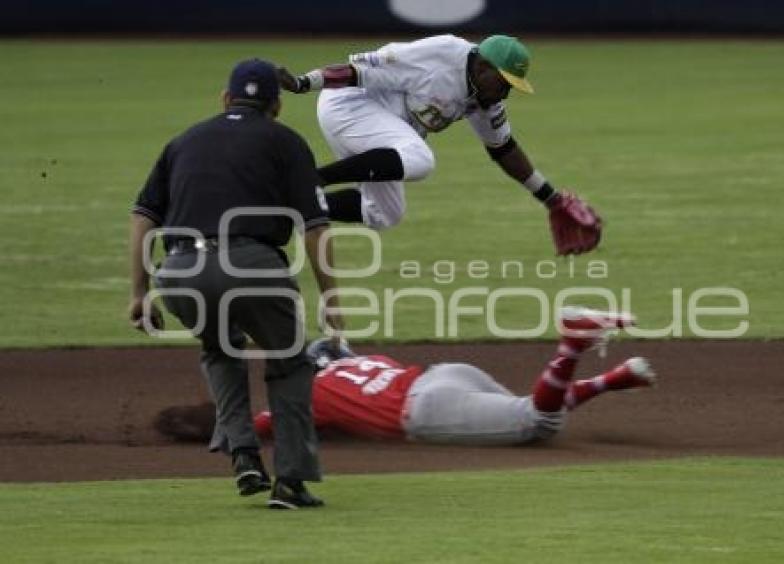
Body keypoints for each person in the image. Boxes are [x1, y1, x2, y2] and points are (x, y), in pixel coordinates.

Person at [129, 58, 346, 509]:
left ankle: (243, 453)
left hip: (180, 269)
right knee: (288, 364)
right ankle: (290, 481)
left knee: (220, 348)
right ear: (277, 107)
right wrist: (331, 298)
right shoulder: (286, 141)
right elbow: (314, 227)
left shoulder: (182, 141)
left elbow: (143, 217)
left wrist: (139, 291)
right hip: (253, 265)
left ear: (225, 99)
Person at [277, 34, 602, 255]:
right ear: (483, 67)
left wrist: (552, 199)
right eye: (504, 83)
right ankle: (311, 179)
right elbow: (358, 70)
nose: (505, 93)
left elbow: (504, 150)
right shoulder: (440, 54)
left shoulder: (484, 97)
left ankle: (294, 206)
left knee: (384, 214)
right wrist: (304, 82)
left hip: (387, 127)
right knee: (420, 158)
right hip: (349, 104)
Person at [155, 308, 656, 447]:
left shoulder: (312, 393)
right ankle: (616, 378)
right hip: (446, 376)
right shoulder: (361, 361)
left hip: (427, 409)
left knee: (535, 423)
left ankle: (572, 342)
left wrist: (218, 426)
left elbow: (262, 427)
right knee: (535, 413)